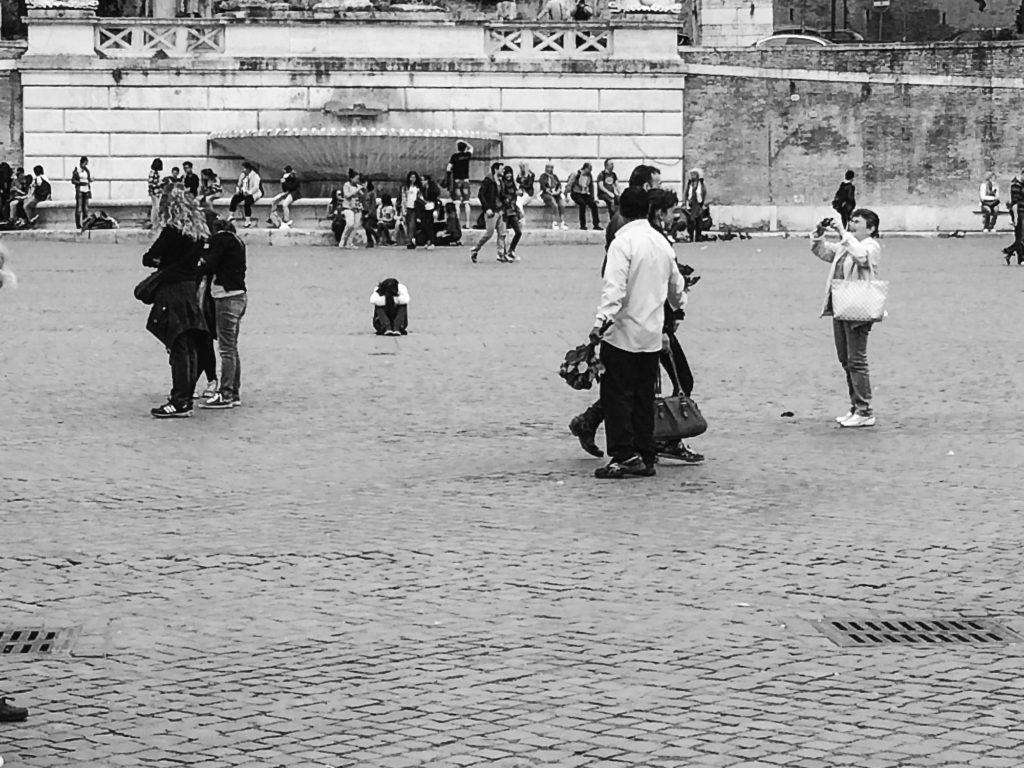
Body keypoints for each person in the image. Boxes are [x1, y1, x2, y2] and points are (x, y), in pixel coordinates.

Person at [589, 187, 687, 479]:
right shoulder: (661, 243)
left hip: (622, 332)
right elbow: (676, 286)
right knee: (645, 395)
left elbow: (614, 289)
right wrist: (679, 308)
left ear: (621, 211)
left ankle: (624, 454)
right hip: (651, 334)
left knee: (617, 395)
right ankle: (646, 453)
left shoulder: (623, 243)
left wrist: (600, 322)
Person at [141, 185, 212, 418]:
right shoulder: (198, 232)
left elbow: (149, 257)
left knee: (178, 345)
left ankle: (180, 400)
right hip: (190, 288)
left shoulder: (172, 231)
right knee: (189, 344)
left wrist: (161, 260)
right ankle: (185, 396)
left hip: (172, 290)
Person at [810, 208, 882, 428]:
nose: (851, 223)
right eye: (851, 220)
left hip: (859, 307)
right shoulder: (845, 244)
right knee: (845, 360)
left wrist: (843, 232)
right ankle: (855, 407)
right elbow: (823, 251)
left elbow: (861, 257)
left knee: (857, 360)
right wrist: (818, 232)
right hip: (841, 306)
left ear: (870, 228)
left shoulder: (871, 246)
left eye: (857, 221)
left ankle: (865, 409)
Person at [198, 216, 247, 409]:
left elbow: (208, 265)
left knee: (226, 349)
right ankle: (234, 392)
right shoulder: (237, 240)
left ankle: (225, 394)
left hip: (225, 297)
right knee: (232, 347)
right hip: (240, 295)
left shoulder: (218, 240)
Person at [470, 162, 507, 264]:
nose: (503, 171)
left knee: (502, 233)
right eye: (502, 169)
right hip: (492, 211)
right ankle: (475, 249)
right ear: (496, 169)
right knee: (489, 233)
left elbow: (501, 195)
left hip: (500, 210)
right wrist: (486, 208)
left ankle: (500, 254)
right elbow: (481, 195)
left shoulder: (501, 181)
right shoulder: (488, 180)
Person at [446, 140, 474, 229]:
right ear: (465, 148)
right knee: (466, 202)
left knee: (457, 203)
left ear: (457, 148)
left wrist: (448, 178)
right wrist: (465, 142)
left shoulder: (454, 156)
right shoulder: (467, 155)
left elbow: (448, 168)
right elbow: (472, 148)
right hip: (465, 181)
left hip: (457, 181)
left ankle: (457, 224)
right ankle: (468, 223)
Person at [499, 165, 522, 262]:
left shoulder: (513, 183)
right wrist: (513, 195)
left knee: (518, 232)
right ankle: (503, 253)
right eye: (507, 173)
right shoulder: (502, 184)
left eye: (510, 173)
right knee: (503, 233)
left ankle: (511, 250)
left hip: (512, 210)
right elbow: (502, 196)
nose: (508, 175)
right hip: (505, 210)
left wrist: (519, 193)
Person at [567, 161, 600, 230]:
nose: (590, 171)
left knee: (593, 205)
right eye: (589, 169)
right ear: (585, 168)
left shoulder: (589, 176)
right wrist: (566, 194)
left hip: (584, 193)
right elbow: (570, 184)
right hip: (576, 193)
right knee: (582, 204)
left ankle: (596, 224)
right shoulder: (576, 174)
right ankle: (582, 224)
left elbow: (591, 186)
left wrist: (592, 197)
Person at [228, 161, 262, 229]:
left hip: (253, 193)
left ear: (248, 169)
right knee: (235, 198)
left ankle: (247, 220)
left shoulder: (255, 176)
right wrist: (238, 190)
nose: (243, 170)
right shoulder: (242, 175)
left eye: (244, 168)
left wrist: (249, 192)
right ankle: (231, 216)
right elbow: (239, 184)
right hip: (244, 192)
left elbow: (256, 187)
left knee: (247, 202)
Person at [682, 167, 707, 243]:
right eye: (691, 174)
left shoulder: (702, 184)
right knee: (691, 222)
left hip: (698, 205)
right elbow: (685, 194)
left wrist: (704, 204)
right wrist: (684, 203)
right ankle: (691, 235)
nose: (693, 176)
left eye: (694, 174)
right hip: (690, 204)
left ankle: (698, 236)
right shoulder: (689, 184)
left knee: (699, 222)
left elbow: (705, 193)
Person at [399, 171, 422, 249]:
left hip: (414, 208)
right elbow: (403, 198)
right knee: (407, 225)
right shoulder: (405, 187)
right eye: (411, 177)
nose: (413, 179)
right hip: (407, 207)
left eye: (414, 177)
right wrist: (403, 209)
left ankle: (409, 240)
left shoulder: (418, 187)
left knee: (412, 225)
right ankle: (410, 240)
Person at [539, 164, 567, 230]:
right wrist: (550, 192)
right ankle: (554, 222)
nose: (549, 169)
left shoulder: (555, 176)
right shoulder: (543, 176)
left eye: (551, 168)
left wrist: (558, 191)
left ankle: (562, 222)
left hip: (556, 194)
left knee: (562, 204)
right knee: (554, 204)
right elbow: (543, 187)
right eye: (548, 167)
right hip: (546, 194)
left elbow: (559, 185)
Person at [1007, 169, 1024, 265]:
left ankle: (1009, 250)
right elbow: (1014, 204)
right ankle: (1021, 258)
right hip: (1019, 212)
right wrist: (1015, 218)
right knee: (1021, 236)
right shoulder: (1016, 186)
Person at [71, 156, 92, 230]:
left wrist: (90, 180)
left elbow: (88, 179)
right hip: (80, 190)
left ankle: (85, 223)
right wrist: (80, 183)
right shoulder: (77, 170)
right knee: (79, 208)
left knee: (85, 208)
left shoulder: (86, 170)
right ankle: (78, 224)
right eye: (85, 163)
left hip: (86, 190)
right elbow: (73, 180)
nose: (85, 165)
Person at [361, 180, 379, 247]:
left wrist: (369, 213)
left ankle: (372, 239)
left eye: (365, 183)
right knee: (365, 226)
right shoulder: (363, 192)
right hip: (364, 211)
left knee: (367, 226)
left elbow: (373, 204)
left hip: (370, 212)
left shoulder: (372, 193)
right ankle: (370, 240)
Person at [148, 158, 164, 229]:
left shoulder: (154, 172)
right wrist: (159, 184)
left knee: (154, 207)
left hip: (155, 192)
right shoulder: (153, 172)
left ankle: (154, 221)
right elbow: (151, 183)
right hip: (155, 192)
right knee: (156, 207)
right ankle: (155, 222)